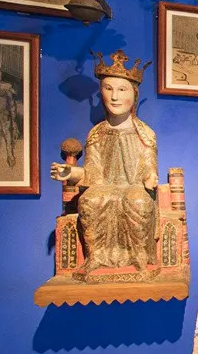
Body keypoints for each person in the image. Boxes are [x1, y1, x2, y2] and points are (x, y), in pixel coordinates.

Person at [50, 50, 158, 281]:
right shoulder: (96, 133)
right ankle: (96, 256)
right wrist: (71, 172)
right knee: (90, 201)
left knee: (137, 202)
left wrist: (150, 176)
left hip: (133, 187)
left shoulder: (145, 133)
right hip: (104, 187)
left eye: (122, 90)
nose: (115, 97)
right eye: (108, 89)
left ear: (134, 94)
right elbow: (92, 172)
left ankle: (138, 256)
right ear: (101, 92)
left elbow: (149, 165)